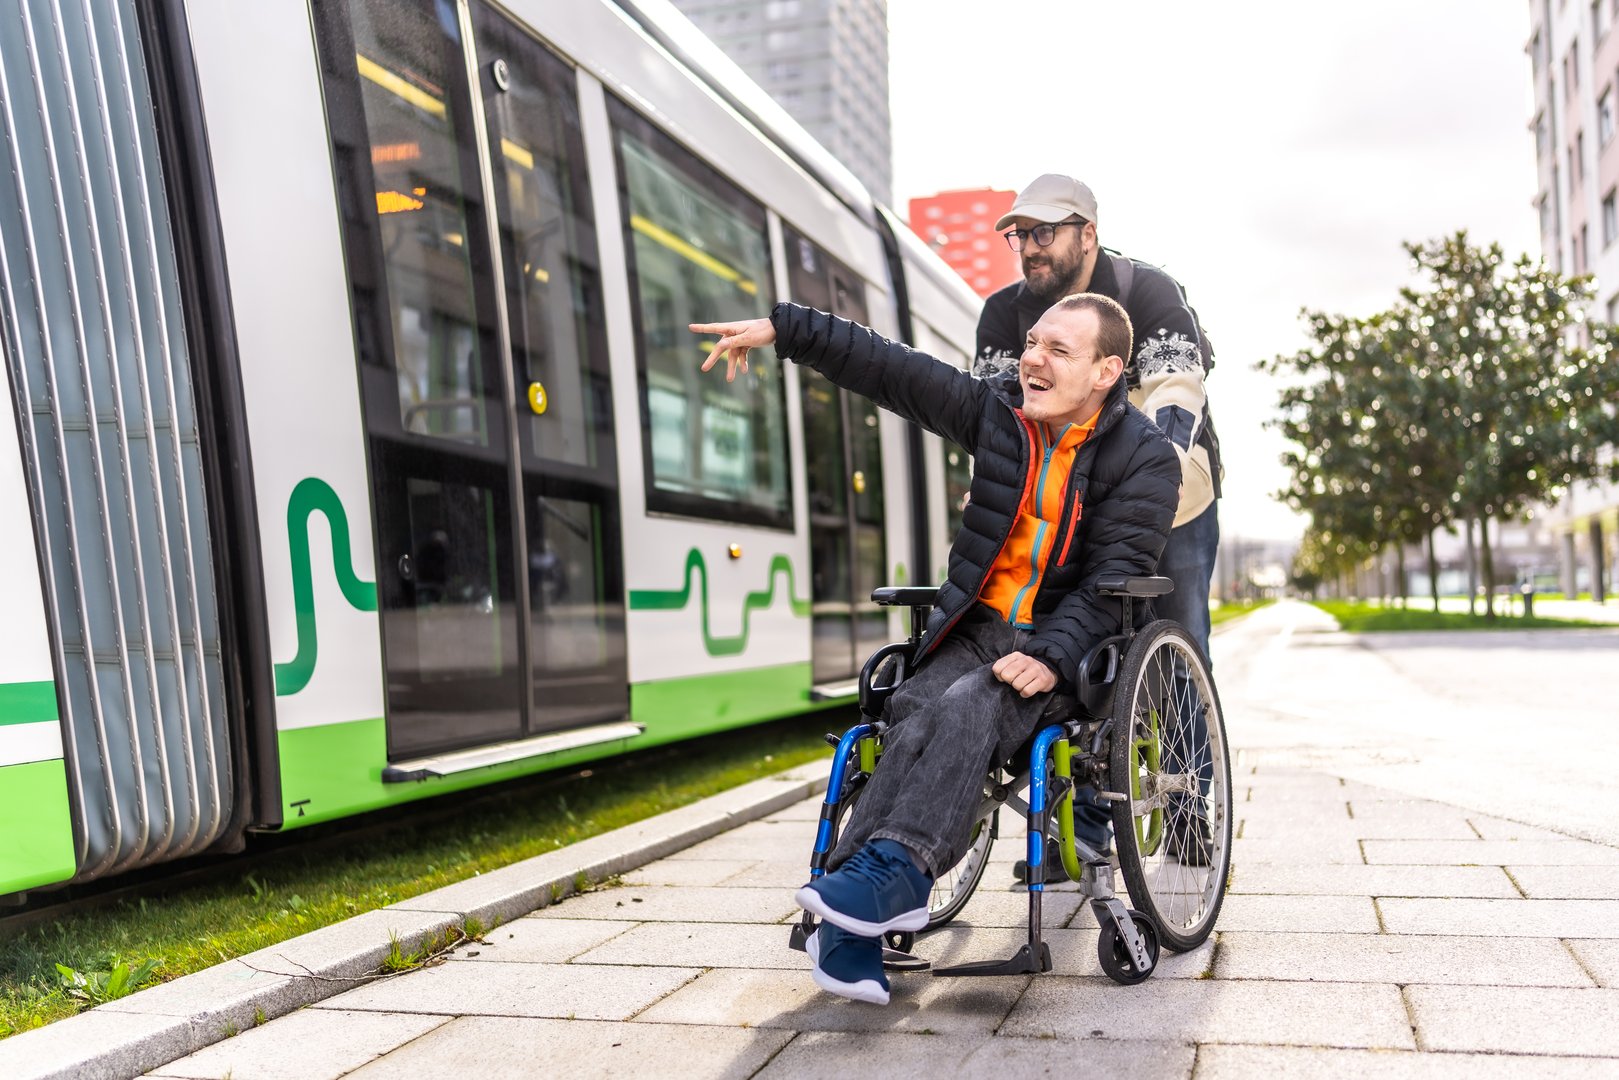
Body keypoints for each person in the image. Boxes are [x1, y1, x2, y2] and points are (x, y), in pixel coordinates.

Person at [690, 294, 1178, 1005]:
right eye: (1032, 343)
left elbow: (1111, 584)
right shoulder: (999, 411)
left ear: (1106, 372)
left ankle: (898, 870)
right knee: (914, 701)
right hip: (978, 626)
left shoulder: (1145, 459)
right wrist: (787, 330)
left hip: (1068, 647)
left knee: (973, 699)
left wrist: (1050, 653)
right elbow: (894, 370)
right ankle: (858, 918)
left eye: (1057, 352)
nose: (1033, 360)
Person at [978, 174, 1222, 873]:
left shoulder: (1147, 291)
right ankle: (1079, 827)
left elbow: (1176, 391)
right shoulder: (1002, 315)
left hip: (1172, 495)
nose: (1028, 247)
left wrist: (1156, 474)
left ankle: (1185, 803)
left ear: (1087, 232)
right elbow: (995, 417)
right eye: (1019, 235)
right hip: (1061, 502)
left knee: (1179, 645)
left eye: (1043, 232)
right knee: (1070, 647)